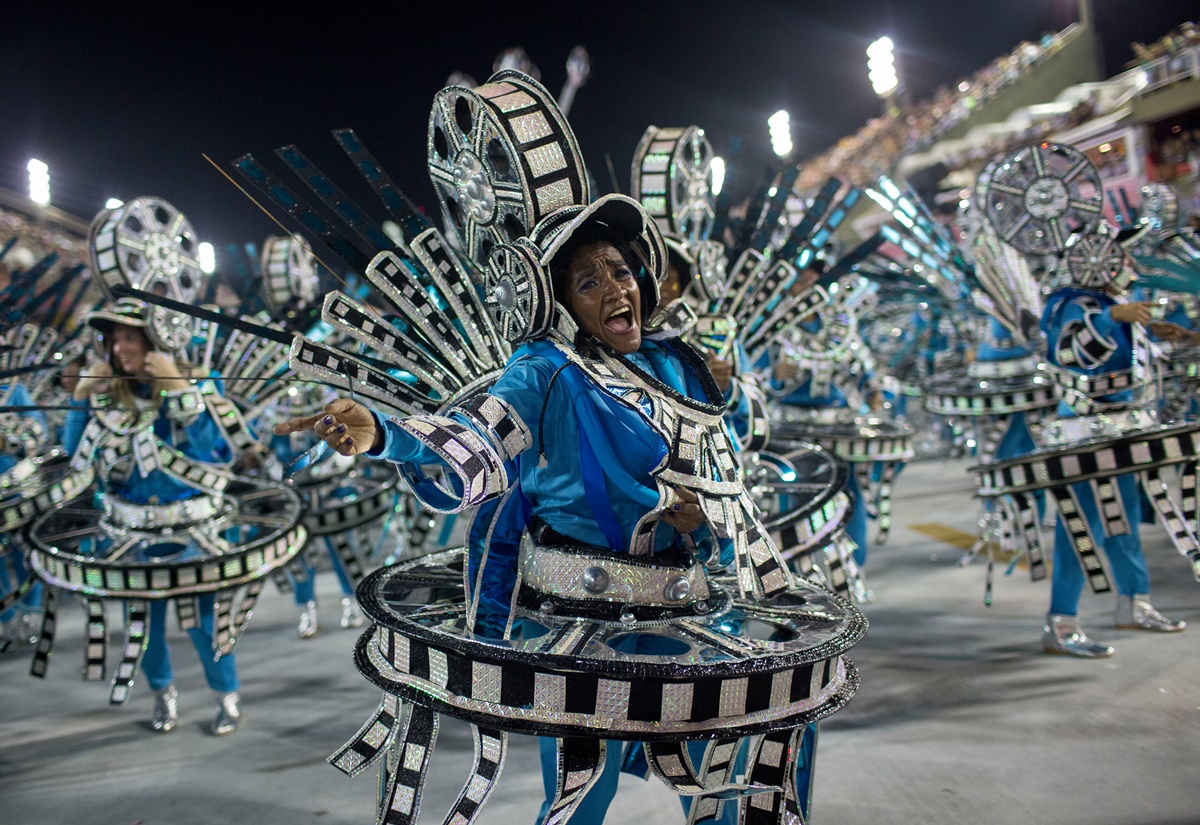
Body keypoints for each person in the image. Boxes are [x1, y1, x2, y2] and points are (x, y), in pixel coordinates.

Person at [276, 196, 794, 825]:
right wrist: (387, 434)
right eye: (587, 280)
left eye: (619, 270)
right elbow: (477, 440)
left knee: (712, 775)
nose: (613, 287)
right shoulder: (544, 369)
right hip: (577, 624)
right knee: (583, 792)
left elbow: (725, 473)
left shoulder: (672, 363)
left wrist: (703, 522)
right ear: (559, 304)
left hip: (681, 611)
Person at [66, 298, 242, 733]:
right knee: (142, 625)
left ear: (156, 338)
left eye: (129, 336)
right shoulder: (108, 395)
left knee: (205, 622)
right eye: (113, 339)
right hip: (130, 534)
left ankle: (227, 696)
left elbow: (218, 454)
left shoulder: (201, 382)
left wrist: (181, 390)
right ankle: (163, 695)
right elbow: (77, 459)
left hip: (193, 531)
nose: (119, 347)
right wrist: (78, 399)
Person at [1039, 261, 1188, 657]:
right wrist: (1108, 319)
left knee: (1123, 522)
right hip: (1084, 435)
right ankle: (1061, 623)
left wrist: (1163, 336)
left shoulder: (1115, 302)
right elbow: (1068, 353)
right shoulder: (1072, 304)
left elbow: (1132, 365)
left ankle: (1134, 604)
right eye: (1122, 259)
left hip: (1123, 430)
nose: (1131, 267)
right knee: (1081, 529)